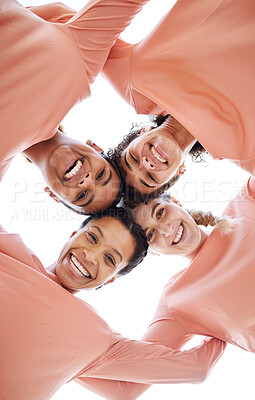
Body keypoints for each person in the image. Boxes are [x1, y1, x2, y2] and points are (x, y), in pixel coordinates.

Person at [30, 0, 255, 206]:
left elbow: (65, 22)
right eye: (149, 178)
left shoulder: (136, 86)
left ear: (141, 133)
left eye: (133, 159)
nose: (146, 164)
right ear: (179, 172)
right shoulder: (244, 154)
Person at [73, 175, 255, 399]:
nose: (167, 231)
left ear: (175, 202)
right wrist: (65, 356)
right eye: (151, 235)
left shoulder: (246, 202)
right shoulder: (177, 301)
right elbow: (124, 388)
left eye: (160, 212)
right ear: (153, 252)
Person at [0, 0, 152, 214]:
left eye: (82, 196)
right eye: (101, 175)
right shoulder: (82, 67)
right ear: (97, 148)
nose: (87, 181)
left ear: (53, 196)